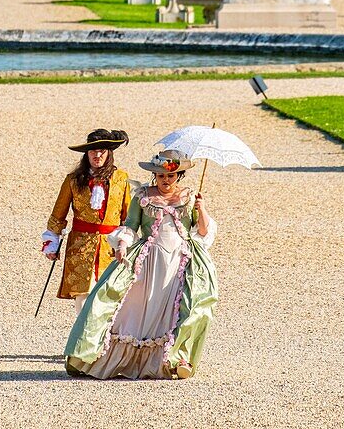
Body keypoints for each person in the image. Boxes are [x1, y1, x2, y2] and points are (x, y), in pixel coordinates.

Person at [64, 149, 218, 380]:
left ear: (180, 175)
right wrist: (123, 244)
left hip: (180, 260)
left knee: (185, 306)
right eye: (162, 176)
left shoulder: (189, 197)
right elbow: (130, 224)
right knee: (125, 304)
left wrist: (202, 209)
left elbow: (203, 231)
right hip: (149, 258)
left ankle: (174, 360)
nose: (166, 180)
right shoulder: (143, 195)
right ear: (155, 175)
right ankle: (106, 357)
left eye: (172, 176)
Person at [42, 129, 132, 311]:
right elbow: (58, 213)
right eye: (93, 151)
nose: (97, 155)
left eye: (102, 151)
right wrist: (52, 242)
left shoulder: (121, 179)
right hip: (80, 246)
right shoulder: (73, 180)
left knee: (109, 297)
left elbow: (128, 216)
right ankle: (83, 338)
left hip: (111, 247)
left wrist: (126, 242)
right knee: (83, 299)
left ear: (109, 153)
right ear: (86, 154)